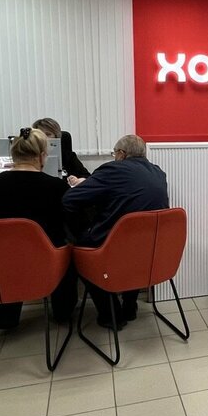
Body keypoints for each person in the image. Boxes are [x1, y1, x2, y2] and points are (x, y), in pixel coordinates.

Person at [0, 128, 75, 345]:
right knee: (69, 250)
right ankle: (63, 312)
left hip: (6, 258)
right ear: (42, 155)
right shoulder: (56, 186)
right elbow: (64, 218)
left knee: (5, 260)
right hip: (47, 258)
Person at [62, 134, 169, 328]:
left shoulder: (112, 170)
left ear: (121, 154)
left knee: (81, 254)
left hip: (115, 246)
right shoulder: (158, 172)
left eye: (114, 154)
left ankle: (110, 314)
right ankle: (130, 306)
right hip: (149, 248)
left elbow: (69, 200)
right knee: (133, 251)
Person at [32, 117, 90, 182]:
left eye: (48, 134)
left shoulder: (67, 155)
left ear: (56, 136)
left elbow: (87, 176)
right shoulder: (29, 156)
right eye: (40, 134)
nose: (44, 138)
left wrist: (78, 180)